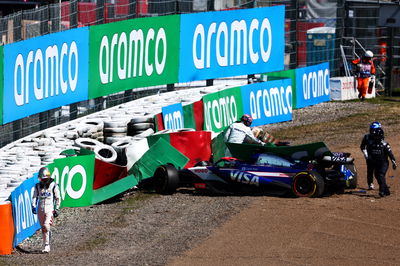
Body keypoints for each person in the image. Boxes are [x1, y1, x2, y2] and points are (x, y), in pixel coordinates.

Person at [360, 122, 397, 197]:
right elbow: (363, 146)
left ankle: (382, 191)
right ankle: (385, 190)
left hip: (383, 162)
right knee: (376, 174)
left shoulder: (384, 143)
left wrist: (393, 162)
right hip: (373, 160)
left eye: (374, 130)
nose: (373, 132)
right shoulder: (368, 139)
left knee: (380, 175)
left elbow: (390, 153)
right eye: (372, 130)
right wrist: (366, 154)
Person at [32, 167, 61, 253]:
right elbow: (34, 196)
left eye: (44, 179)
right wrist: (33, 206)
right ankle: (45, 244)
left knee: (46, 226)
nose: (42, 181)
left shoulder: (53, 185)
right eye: (41, 179)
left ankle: (47, 245)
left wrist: (57, 208)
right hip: (40, 209)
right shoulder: (37, 186)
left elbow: (58, 198)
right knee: (43, 228)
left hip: (49, 209)